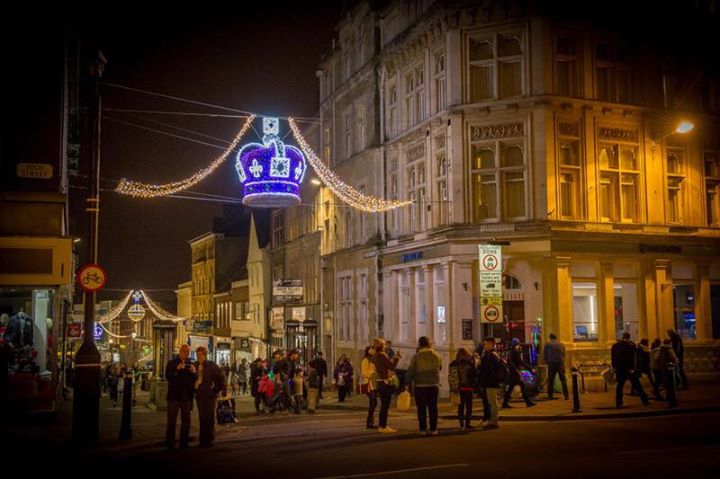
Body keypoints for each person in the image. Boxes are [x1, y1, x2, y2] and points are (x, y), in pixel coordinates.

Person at [406, 336, 442, 436]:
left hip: (420, 385)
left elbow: (410, 371)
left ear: (420, 344)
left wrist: (407, 383)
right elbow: (440, 367)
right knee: (433, 407)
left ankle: (423, 429)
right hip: (433, 385)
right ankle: (434, 429)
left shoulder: (416, 357)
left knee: (421, 408)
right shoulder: (436, 355)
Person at [165, 344, 196, 450]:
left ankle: (184, 442)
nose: (186, 353)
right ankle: (170, 443)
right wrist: (177, 369)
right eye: (184, 351)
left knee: (186, 421)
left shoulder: (190, 364)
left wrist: (194, 372)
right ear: (180, 351)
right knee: (171, 421)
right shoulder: (172, 363)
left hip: (186, 398)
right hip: (174, 397)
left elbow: (193, 381)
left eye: (188, 351)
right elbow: (168, 377)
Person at [194, 346, 227, 447]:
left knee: (209, 417)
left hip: (210, 395)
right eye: (197, 355)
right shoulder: (194, 365)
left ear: (205, 355)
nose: (199, 357)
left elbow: (221, 377)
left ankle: (209, 438)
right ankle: (203, 439)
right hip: (199, 395)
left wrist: (217, 389)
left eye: (200, 355)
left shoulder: (211, 365)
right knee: (202, 417)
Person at [611, 332, 648, 408]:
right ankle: (645, 400)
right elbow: (634, 358)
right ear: (629, 337)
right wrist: (633, 368)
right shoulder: (631, 345)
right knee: (637, 385)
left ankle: (619, 402)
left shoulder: (616, 345)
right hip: (629, 369)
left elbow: (613, 357)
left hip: (620, 369)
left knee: (620, 386)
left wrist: (614, 367)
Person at [372, 337, 401, 433]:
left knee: (384, 405)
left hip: (380, 381)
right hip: (384, 382)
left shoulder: (376, 355)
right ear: (381, 346)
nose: (385, 346)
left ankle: (382, 425)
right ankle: (383, 426)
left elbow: (386, 364)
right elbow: (391, 366)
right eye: (384, 345)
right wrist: (396, 358)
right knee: (385, 405)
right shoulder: (381, 355)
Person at [478, 337, 504, 429]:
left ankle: (494, 421)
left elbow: (492, 370)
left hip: (491, 382)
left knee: (492, 402)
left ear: (491, 344)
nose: (484, 346)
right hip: (489, 382)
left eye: (486, 344)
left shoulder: (492, 355)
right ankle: (492, 420)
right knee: (491, 402)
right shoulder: (489, 354)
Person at [502, 338, 536, 408]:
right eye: (518, 345)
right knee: (521, 386)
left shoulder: (510, 352)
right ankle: (528, 402)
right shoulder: (515, 352)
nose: (519, 346)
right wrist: (530, 368)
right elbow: (520, 362)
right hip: (515, 373)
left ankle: (505, 403)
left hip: (512, 372)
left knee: (511, 388)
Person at [449, 348, 477, 430]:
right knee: (469, 406)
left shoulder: (454, 364)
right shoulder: (470, 365)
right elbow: (475, 376)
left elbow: (451, 377)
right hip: (468, 388)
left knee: (460, 407)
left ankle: (461, 424)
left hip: (459, 388)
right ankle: (467, 424)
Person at [543, 333, 569, 400]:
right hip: (560, 363)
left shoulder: (547, 345)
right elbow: (564, 354)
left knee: (551, 380)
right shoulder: (561, 344)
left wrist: (546, 361)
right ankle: (566, 394)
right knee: (563, 379)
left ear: (550, 338)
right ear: (556, 338)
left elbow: (545, 354)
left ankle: (550, 395)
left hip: (551, 363)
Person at [360, 345, 378, 428]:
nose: (374, 351)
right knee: (373, 401)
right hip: (368, 384)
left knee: (374, 402)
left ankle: (370, 421)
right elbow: (364, 373)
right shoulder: (365, 360)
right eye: (372, 349)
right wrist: (372, 373)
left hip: (374, 384)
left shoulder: (374, 360)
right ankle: (369, 422)